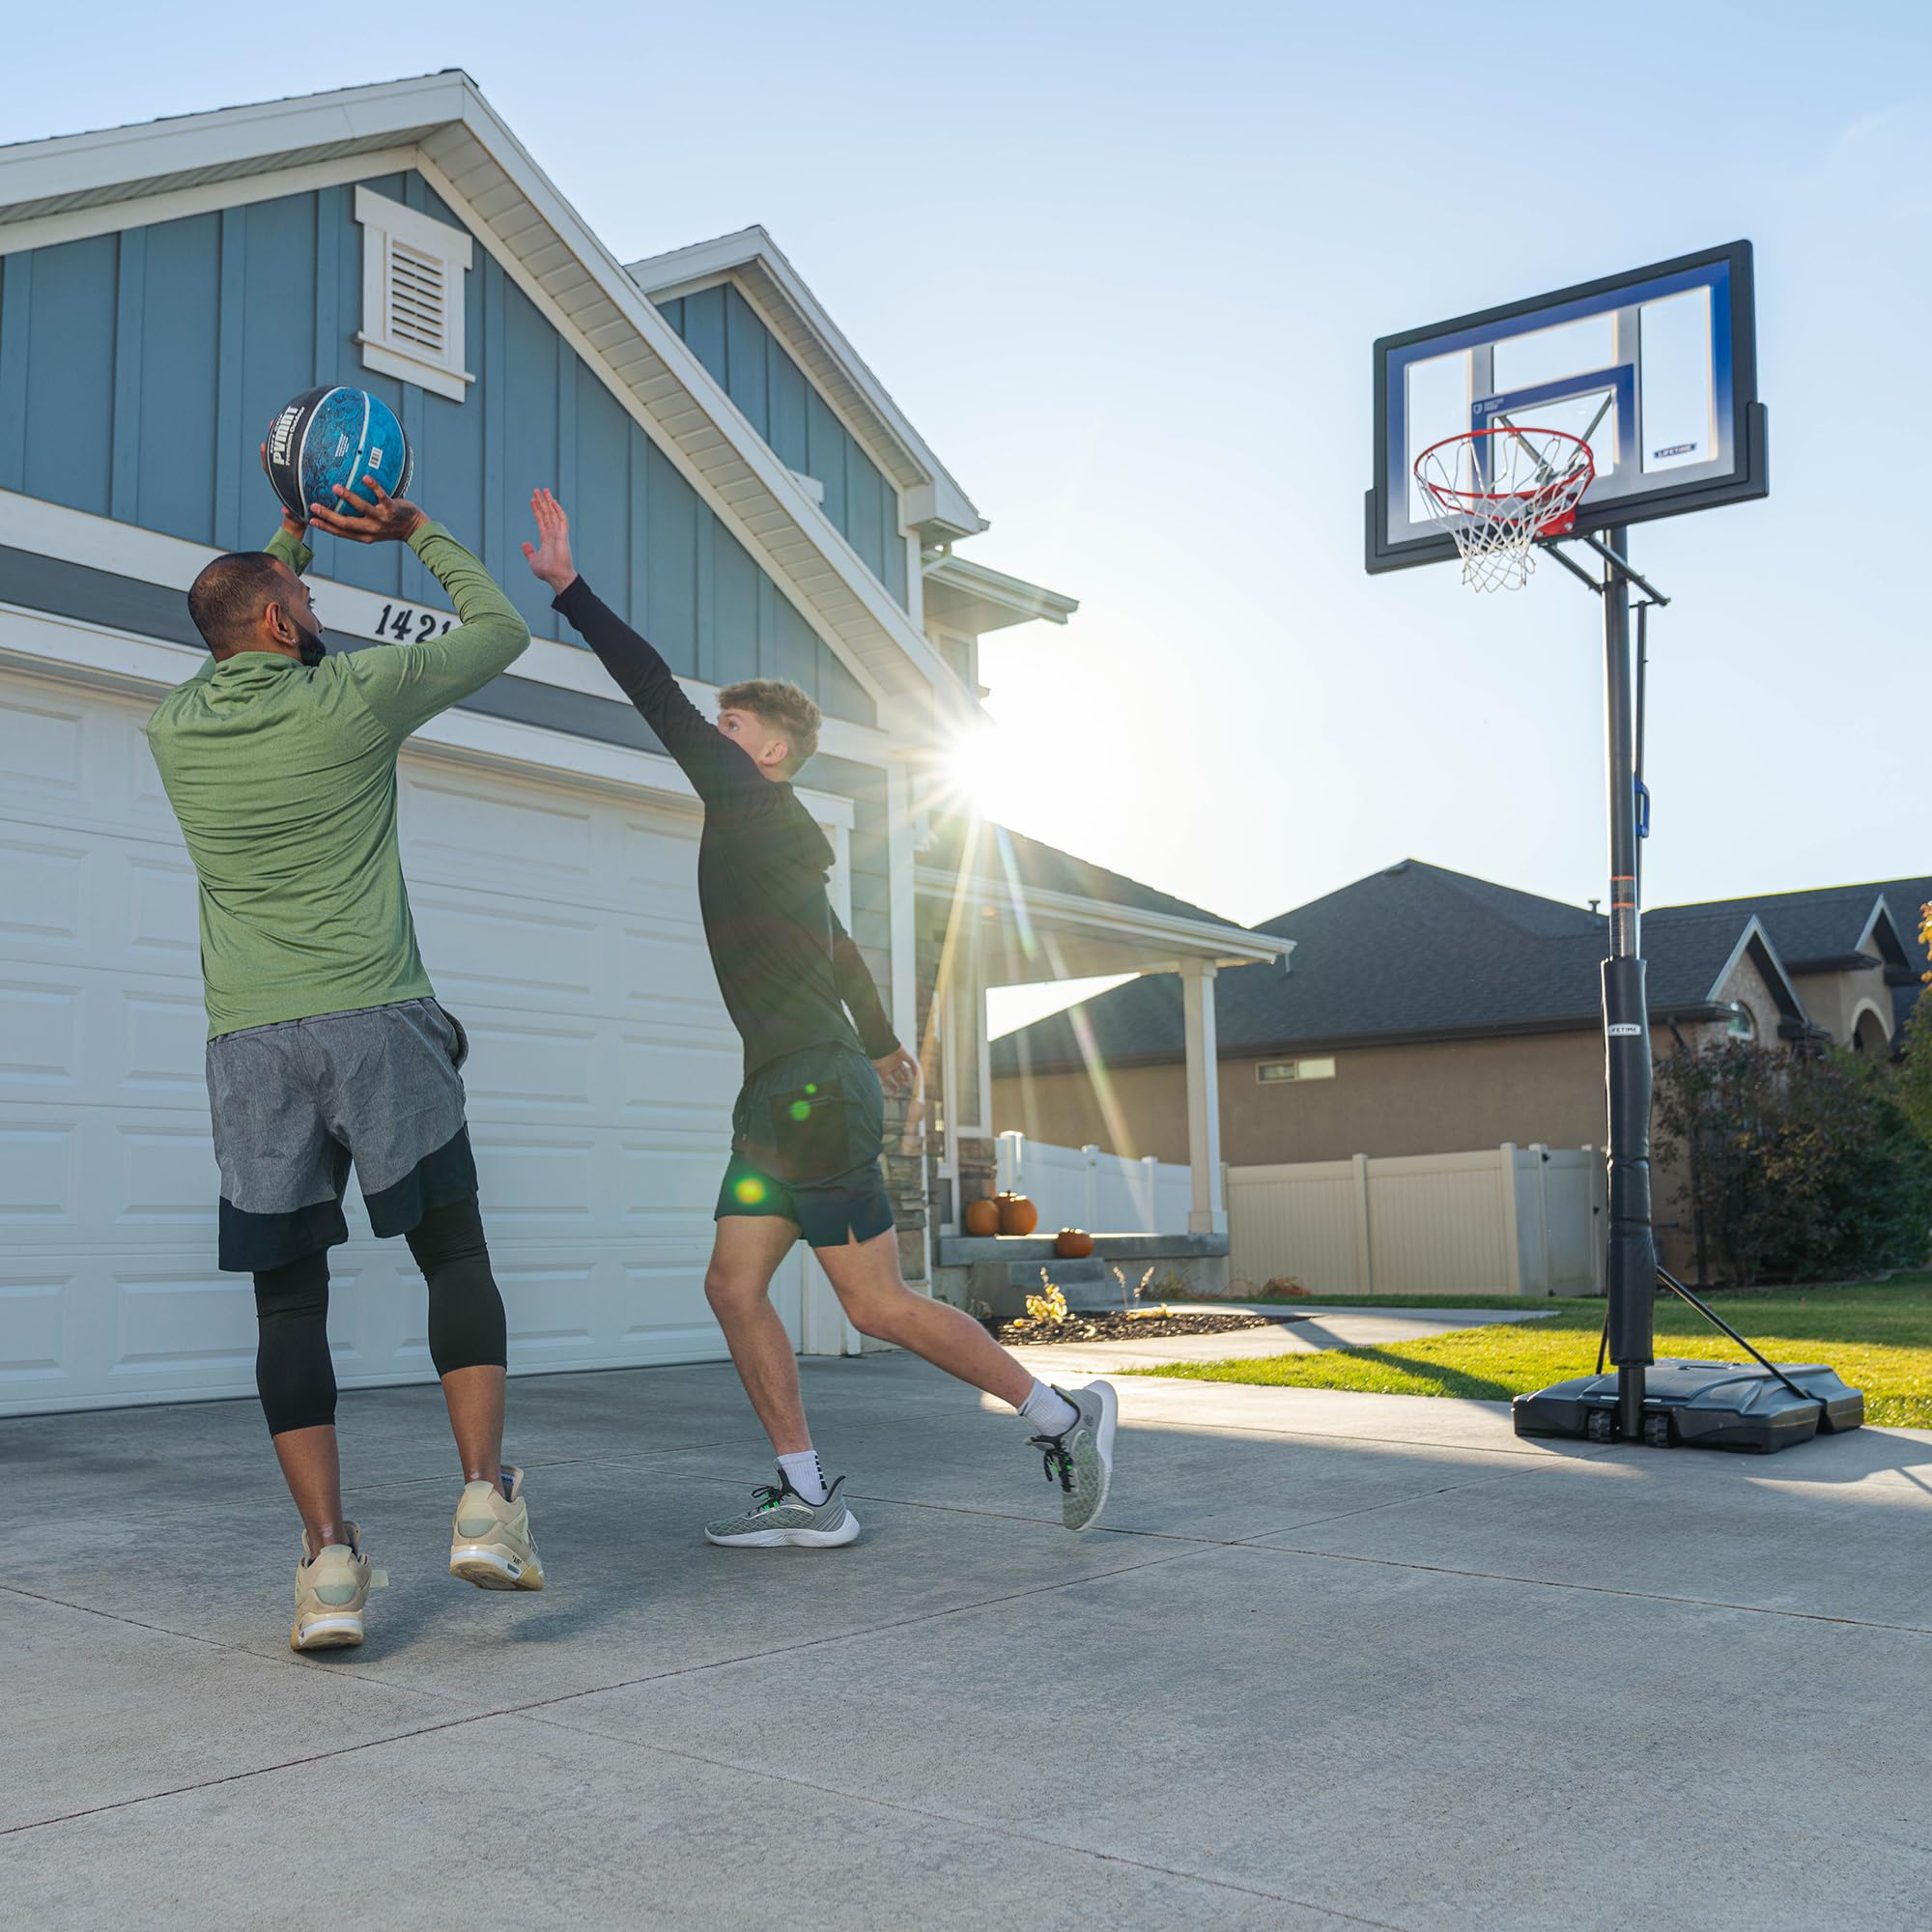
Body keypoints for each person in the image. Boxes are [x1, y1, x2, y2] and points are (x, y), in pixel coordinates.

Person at [521, 487, 1116, 1545]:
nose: (711, 732)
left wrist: (572, 591)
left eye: (729, 725)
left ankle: (1061, 1415)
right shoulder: (781, 832)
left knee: (874, 1307)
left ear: (768, 751)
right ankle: (805, 1492)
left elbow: (652, 690)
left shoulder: (748, 798)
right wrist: (883, 1041)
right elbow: (839, 945)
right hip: (788, 1090)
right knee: (733, 1281)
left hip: (806, 1090)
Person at [146, 460, 544, 1652]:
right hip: (375, 1019)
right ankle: (484, 1504)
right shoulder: (356, 698)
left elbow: (238, 619)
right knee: (453, 1246)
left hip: (251, 1042)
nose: (319, 621)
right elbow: (501, 628)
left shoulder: (172, 728)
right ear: (280, 623)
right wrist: (416, 529)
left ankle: (328, 1570)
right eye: (306, 608)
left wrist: (290, 541)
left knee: (288, 1299)